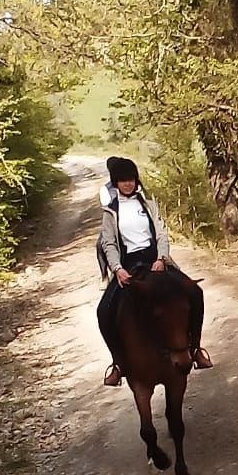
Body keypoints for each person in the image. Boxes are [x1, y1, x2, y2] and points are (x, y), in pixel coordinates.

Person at [96, 155, 213, 386]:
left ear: (136, 180)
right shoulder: (110, 212)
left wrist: (161, 258)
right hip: (127, 264)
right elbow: (108, 243)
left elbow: (161, 233)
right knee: (104, 310)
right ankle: (118, 363)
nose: (127, 183)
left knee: (195, 292)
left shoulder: (149, 204)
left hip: (156, 260)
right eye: (122, 180)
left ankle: (196, 349)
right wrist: (117, 268)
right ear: (116, 182)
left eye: (130, 179)